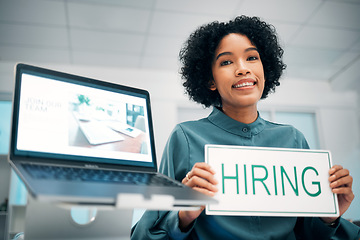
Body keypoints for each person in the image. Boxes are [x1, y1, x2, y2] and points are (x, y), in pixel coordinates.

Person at [131, 15, 359, 239]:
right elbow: (144, 234)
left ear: (264, 68)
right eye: (226, 62)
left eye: (252, 58)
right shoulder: (185, 138)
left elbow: (306, 233)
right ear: (210, 80)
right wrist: (185, 215)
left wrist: (330, 215)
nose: (242, 69)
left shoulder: (293, 139)